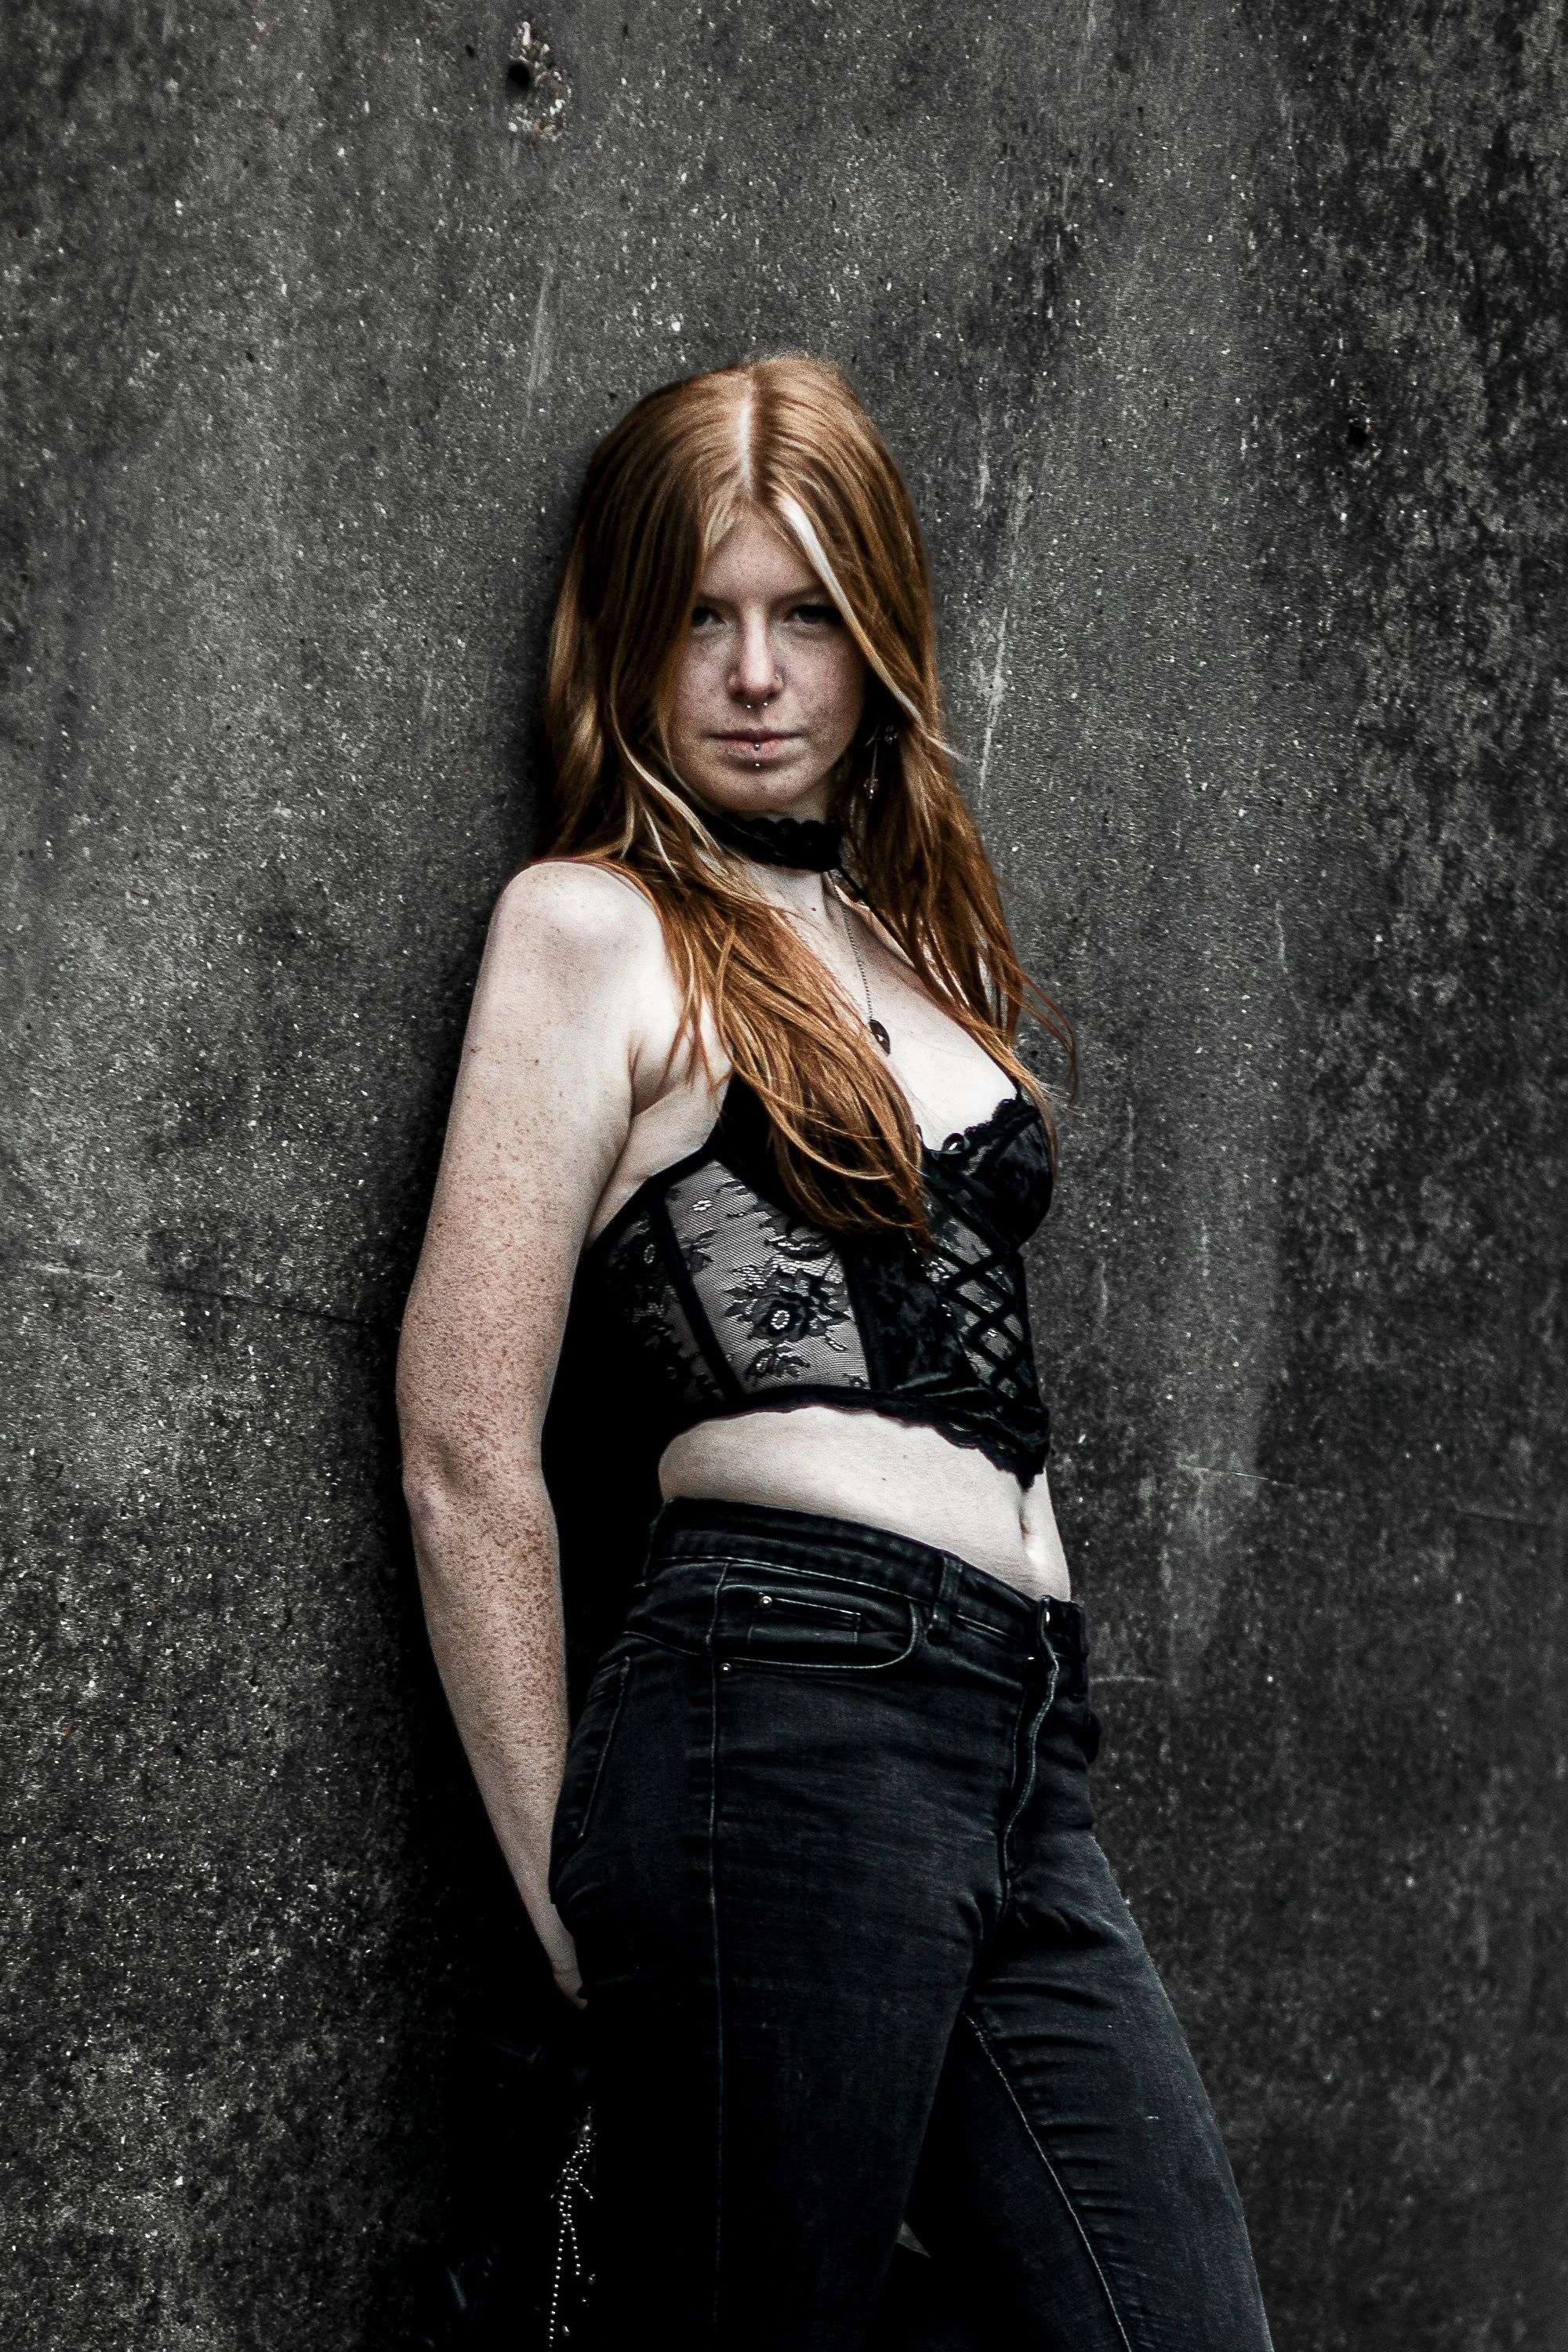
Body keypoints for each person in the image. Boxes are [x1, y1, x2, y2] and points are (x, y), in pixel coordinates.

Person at [397, 354, 1273, 2351]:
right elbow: (463, 1442)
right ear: (628, 634)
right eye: (702, 616)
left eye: (804, 616)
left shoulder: (922, 956)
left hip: (1021, 1742)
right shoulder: (592, 929)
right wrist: (562, 1894)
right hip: (777, 1700)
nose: (756, 674)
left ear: (877, 638)